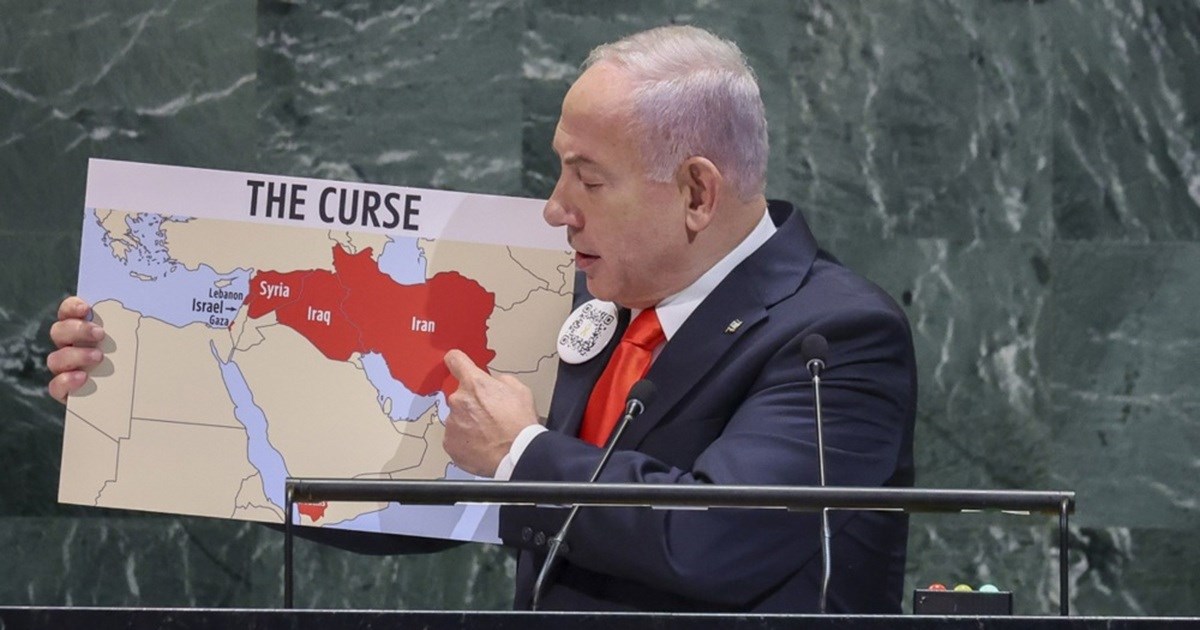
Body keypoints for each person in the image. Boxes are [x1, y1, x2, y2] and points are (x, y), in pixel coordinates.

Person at [49, 25, 915, 614]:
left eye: (588, 177)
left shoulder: (837, 337)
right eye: (559, 170)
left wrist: (523, 454)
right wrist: (154, 395)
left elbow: (715, 540)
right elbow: (433, 501)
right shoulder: (583, 302)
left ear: (696, 191)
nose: (556, 208)